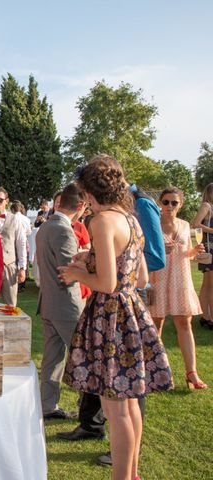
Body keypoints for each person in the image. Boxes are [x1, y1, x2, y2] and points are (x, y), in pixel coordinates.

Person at [59, 156, 173, 480]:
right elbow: (139, 278)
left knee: (115, 408)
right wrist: (91, 259)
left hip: (110, 319)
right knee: (130, 403)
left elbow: (107, 285)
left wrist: (78, 272)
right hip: (132, 314)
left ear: (91, 193)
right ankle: (132, 474)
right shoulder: (131, 218)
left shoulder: (101, 221)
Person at [149, 187, 207, 389]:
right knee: (156, 325)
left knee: (184, 323)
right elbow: (143, 252)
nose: (169, 206)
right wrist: (159, 249)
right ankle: (154, 372)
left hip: (181, 279)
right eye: (166, 202)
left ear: (180, 204)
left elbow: (187, 253)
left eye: (174, 202)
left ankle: (192, 373)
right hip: (157, 278)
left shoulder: (184, 225)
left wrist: (194, 251)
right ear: (160, 203)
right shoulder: (152, 225)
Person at [36, 184, 85, 420]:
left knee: (52, 357)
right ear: (81, 206)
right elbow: (68, 271)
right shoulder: (63, 230)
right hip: (66, 303)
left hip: (48, 302)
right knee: (82, 356)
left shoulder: (46, 226)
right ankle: (89, 413)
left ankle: (47, 405)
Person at [0, 187, 27, 306]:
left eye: (0, 200)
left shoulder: (14, 218)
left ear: (7, 201)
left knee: (10, 305)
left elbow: (21, 243)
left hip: (9, 266)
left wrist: (22, 267)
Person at [192, 182, 213, 329]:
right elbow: (196, 223)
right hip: (209, 249)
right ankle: (209, 317)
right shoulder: (207, 206)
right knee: (210, 285)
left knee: (207, 284)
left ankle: (205, 316)